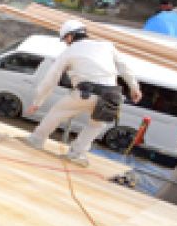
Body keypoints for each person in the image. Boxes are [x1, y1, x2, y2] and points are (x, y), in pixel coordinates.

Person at [25, 19, 142, 166]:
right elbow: (124, 67)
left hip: (85, 93)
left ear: (69, 37)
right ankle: (76, 153)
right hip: (110, 96)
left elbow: (51, 78)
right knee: (96, 125)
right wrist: (134, 87)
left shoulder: (69, 52)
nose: (66, 43)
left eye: (65, 40)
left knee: (57, 113)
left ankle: (36, 139)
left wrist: (38, 102)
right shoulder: (107, 46)